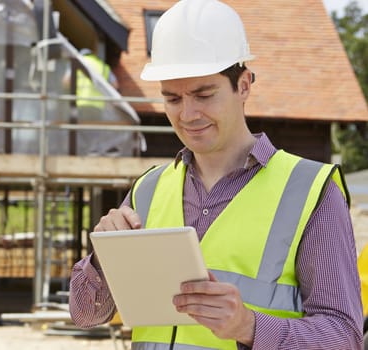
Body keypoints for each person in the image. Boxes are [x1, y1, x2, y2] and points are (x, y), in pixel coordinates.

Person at [69, 0, 364, 349]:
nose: (188, 114)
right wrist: (103, 259)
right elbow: (85, 316)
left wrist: (249, 327)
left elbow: (343, 337)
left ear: (243, 85)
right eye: (172, 99)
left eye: (204, 94)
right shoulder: (147, 190)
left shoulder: (311, 191)